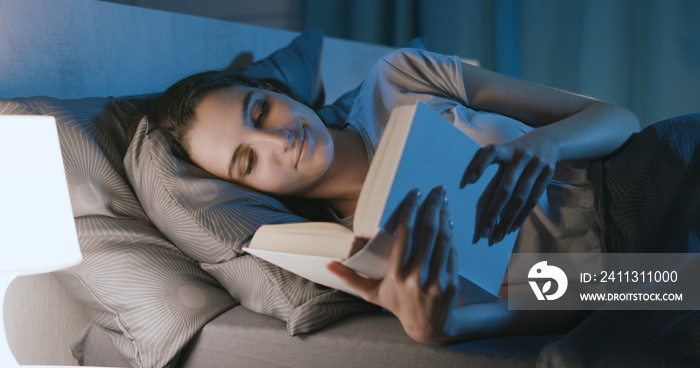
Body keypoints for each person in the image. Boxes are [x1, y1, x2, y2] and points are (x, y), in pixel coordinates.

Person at [148, 48, 640, 343]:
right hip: (621, 277)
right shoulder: (353, 249)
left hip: (656, 167)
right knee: (681, 291)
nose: (279, 142)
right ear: (246, 188)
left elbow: (621, 118)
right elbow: (570, 296)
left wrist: (545, 141)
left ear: (274, 90)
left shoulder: (396, 77)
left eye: (260, 113)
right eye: (249, 161)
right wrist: (441, 328)